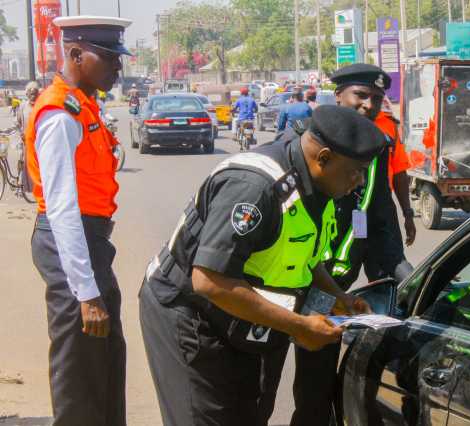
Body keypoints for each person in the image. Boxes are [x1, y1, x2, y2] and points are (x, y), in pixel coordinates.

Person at [139, 105, 380, 426]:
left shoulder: (319, 189)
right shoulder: (256, 188)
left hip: (247, 318)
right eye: (355, 171)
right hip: (192, 314)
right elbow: (209, 280)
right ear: (323, 158)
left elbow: (306, 259)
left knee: (250, 416)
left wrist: (340, 296)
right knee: (207, 418)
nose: (359, 181)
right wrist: (298, 326)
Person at [288, 63, 417, 426]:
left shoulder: (378, 149)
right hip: (292, 279)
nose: (368, 105)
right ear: (338, 96)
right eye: (360, 96)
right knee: (260, 380)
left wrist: (404, 275)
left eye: (376, 98)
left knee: (320, 386)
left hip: (335, 289)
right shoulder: (305, 142)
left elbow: (379, 223)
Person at [24, 16, 131, 426]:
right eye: (108, 58)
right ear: (75, 54)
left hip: (89, 242)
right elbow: (62, 206)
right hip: (71, 241)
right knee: (79, 374)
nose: (117, 68)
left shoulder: (83, 105)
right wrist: (85, 293)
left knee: (103, 363)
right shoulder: (60, 114)